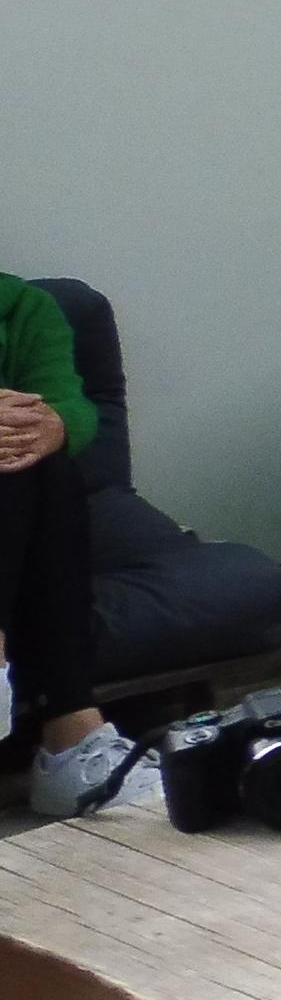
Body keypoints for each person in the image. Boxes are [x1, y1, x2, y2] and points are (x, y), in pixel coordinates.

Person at [1, 269, 121, 818]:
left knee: (41, 463)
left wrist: (55, 426)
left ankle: (73, 743)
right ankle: (70, 744)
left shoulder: (26, 308)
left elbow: (70, 405)